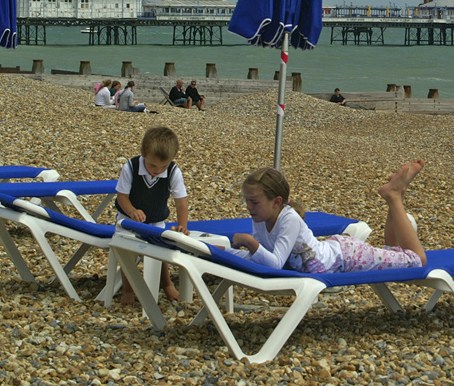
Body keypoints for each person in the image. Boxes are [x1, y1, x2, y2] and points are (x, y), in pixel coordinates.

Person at [229, 160, 427, 272]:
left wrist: (249, 241)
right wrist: (217, 251)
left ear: (277, 202)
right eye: (247, 201)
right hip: (338, 252)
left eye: (254, 202)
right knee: (393, 251)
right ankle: (397, 192)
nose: (248, 207)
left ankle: (394, 196)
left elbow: (275, 263)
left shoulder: (288, 218)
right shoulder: (261, 219)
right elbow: (258, 258)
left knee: (417, 260)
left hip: (350, 258)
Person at [115, 126, 189, 303]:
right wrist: (132, 211)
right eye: (152, 165)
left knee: (161, 251)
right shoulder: (131, 167)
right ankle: (127, 290)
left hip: (156, 221)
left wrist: (182, 225)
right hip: (127, 221)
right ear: (143, 154)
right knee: (127, 251)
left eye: (163, 166)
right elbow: (122, 197)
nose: (157, 170)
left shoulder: (172, 171)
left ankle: (167, 283)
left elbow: (181, 202)